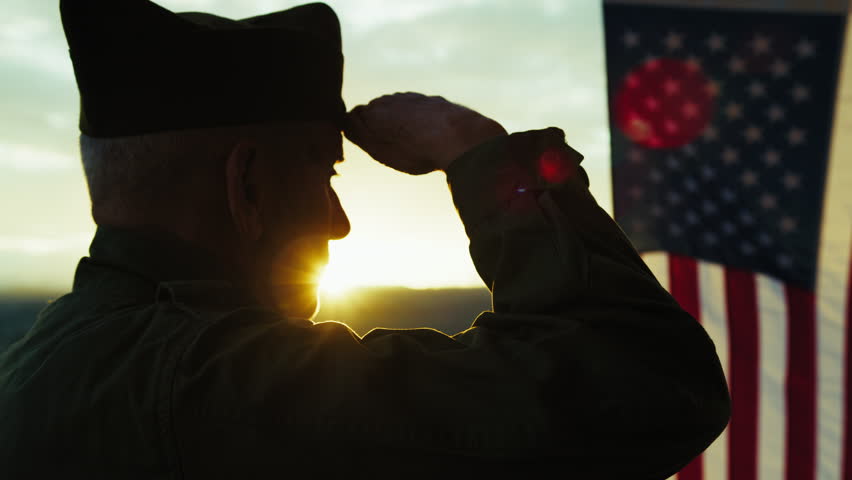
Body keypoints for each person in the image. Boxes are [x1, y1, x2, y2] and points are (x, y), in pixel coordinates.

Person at [0, 1, 730, 478]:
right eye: (324, 173)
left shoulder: (48, 364)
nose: (339, 221)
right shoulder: (204, 384)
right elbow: (649, 384)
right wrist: (479, 153)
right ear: (247, 185)